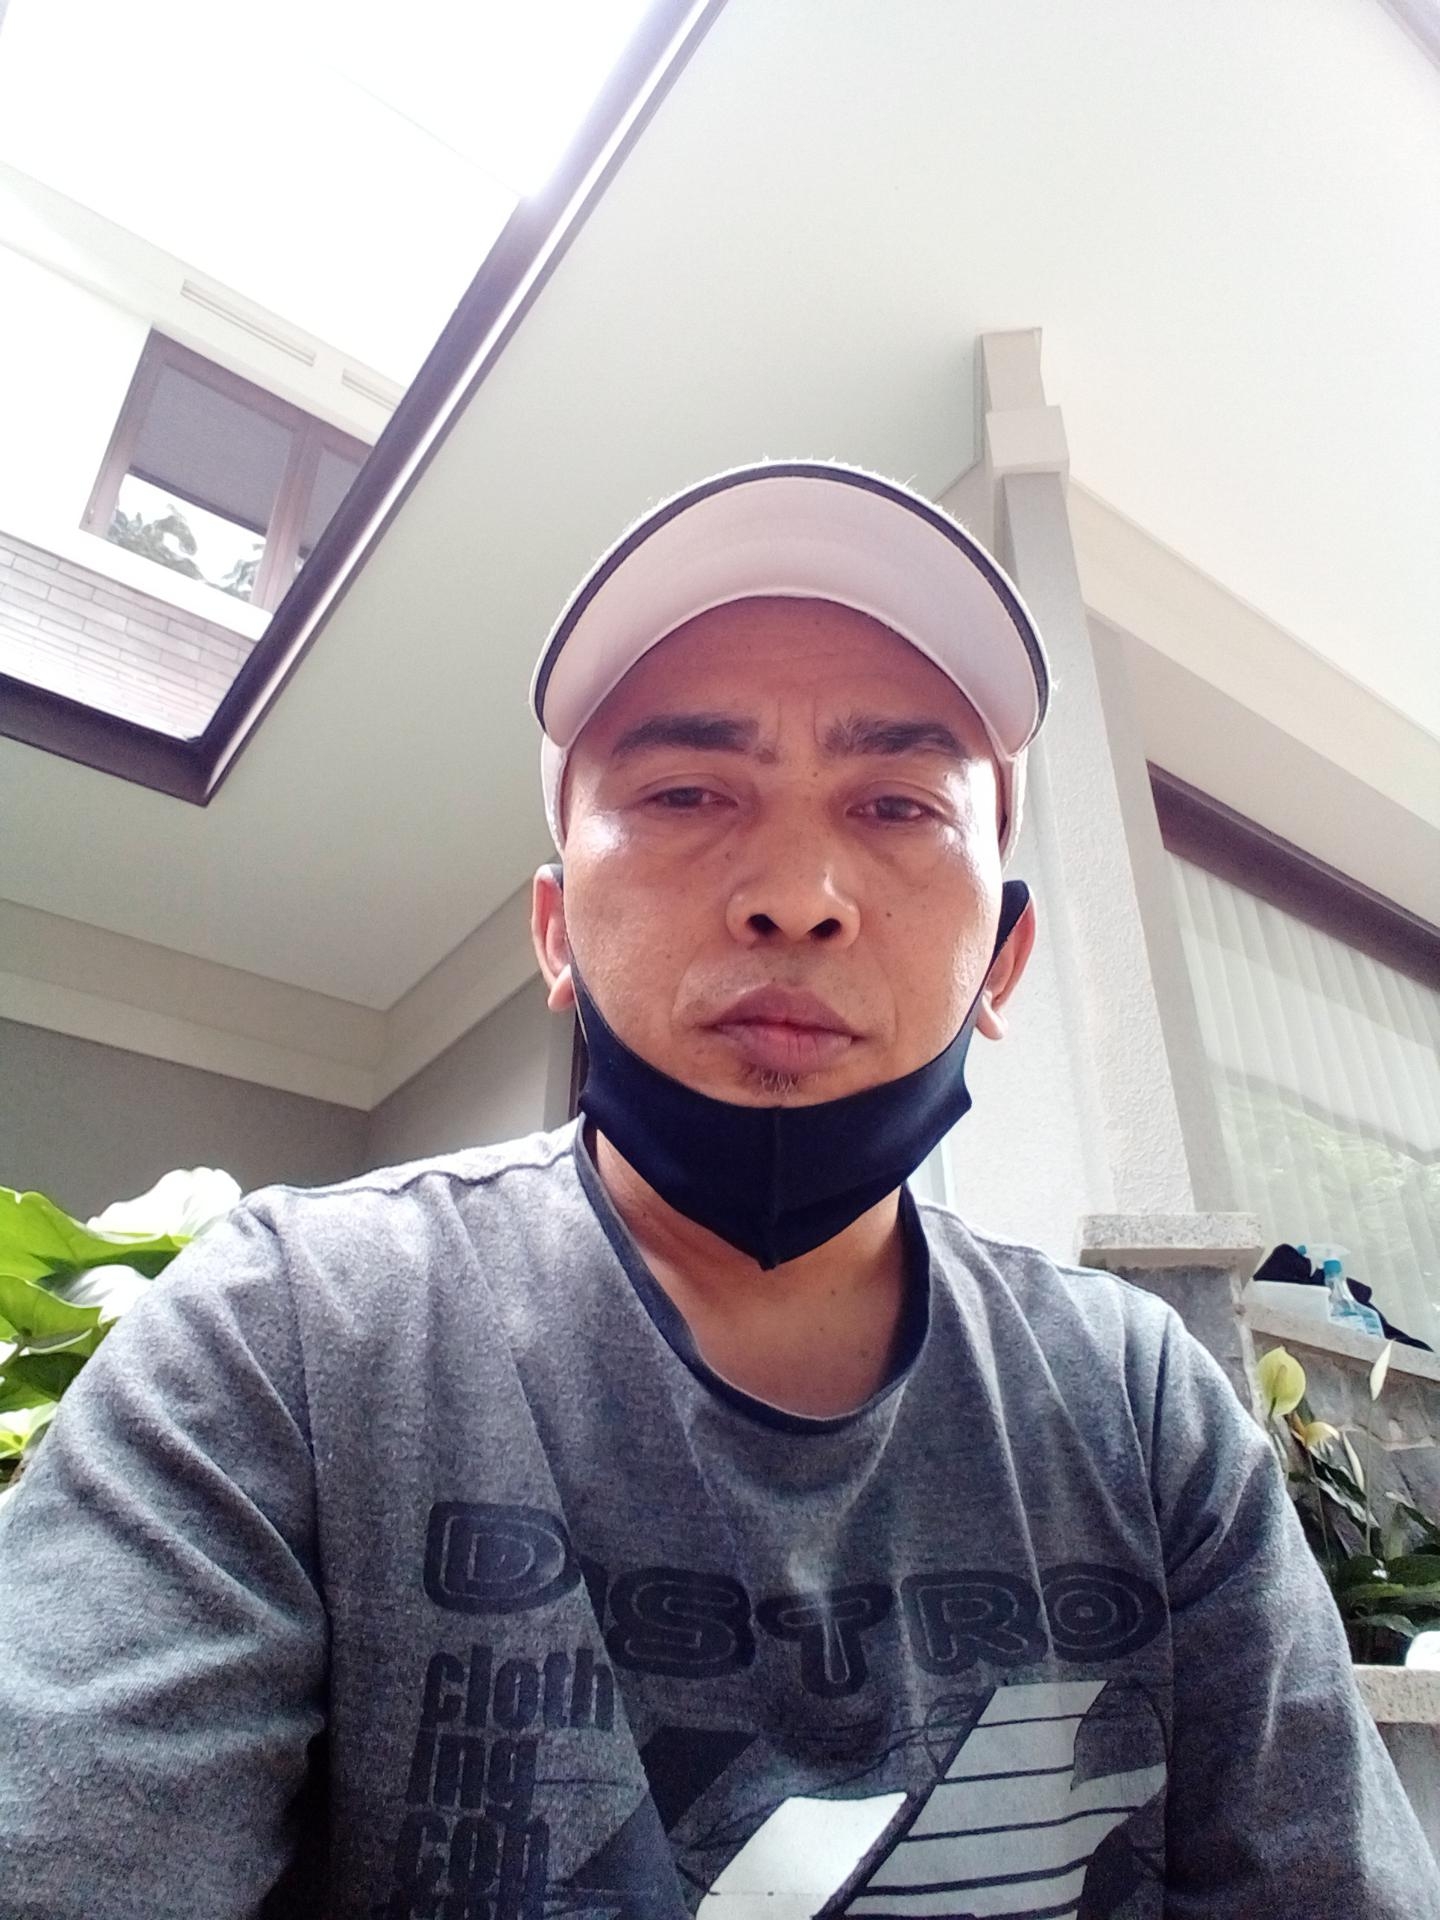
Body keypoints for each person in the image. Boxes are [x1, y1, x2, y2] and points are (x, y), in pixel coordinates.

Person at [0, 462, 1432, 1919]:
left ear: (1002, 961)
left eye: (898, 804)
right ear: (556, 933)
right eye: (686, 792)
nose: (796, 894)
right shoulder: (292, 1335)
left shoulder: (1142, 1409)